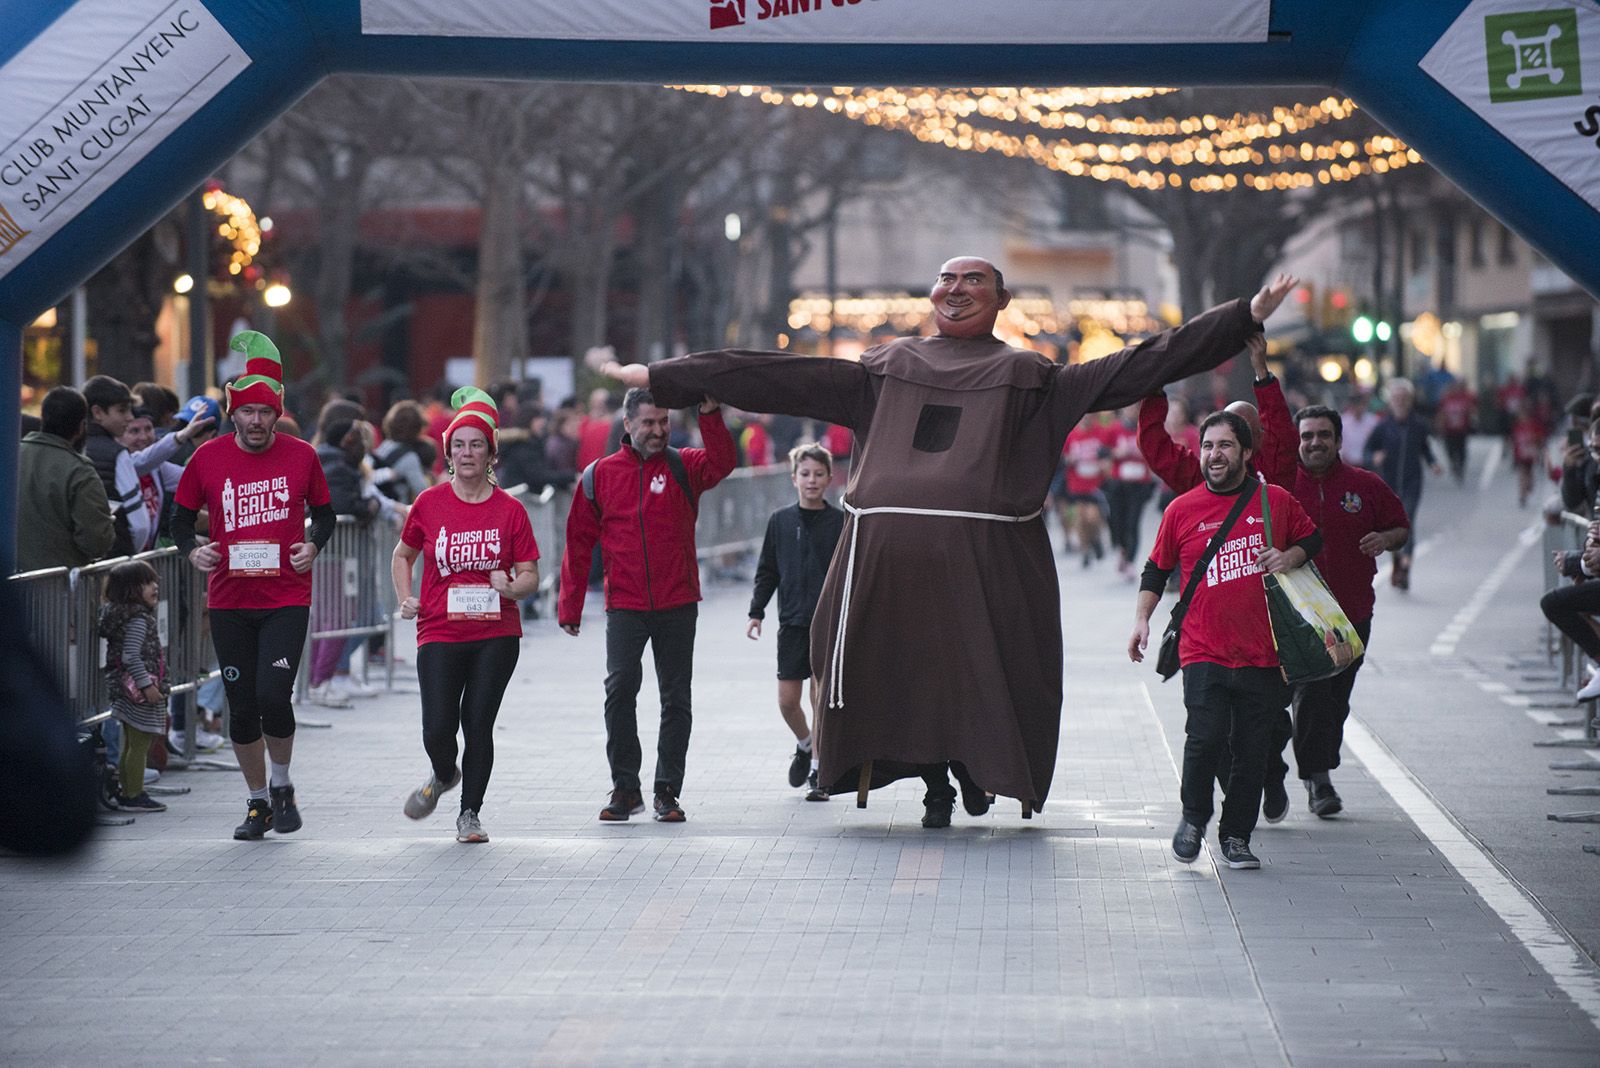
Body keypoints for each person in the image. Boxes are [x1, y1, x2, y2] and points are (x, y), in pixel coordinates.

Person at [604, 257, 1299, 826]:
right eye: (946, 278)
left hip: (987, 562)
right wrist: (667, 378)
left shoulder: (1034, 378)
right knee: (893, 671)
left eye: (973, 280)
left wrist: (1241, 317)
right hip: (885, 562)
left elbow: (1141, 363)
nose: (956, 288)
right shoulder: (882, 369)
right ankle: (934, 780)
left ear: (1002, 300)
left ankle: (971, 771)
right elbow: (773, 375)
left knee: (978, 675)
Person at [1128, 411, 1321, 870]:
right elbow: (1156, 568)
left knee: (1252, 753)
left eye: (1225, 446)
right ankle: (1193, 819)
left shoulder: (1275, 501)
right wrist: (1141, 620)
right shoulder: (1182, 509)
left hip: (1263, 654)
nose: (1215, 455)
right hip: (1203, 650)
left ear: (1247, 452)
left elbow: (1313, 540)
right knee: (1204, 739)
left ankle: (1236, 836)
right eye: (1208, 446)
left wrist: (1289, 555)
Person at [172, 331, 336, 841]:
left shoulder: (301, 456)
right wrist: (192, 550)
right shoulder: (208, 458)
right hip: (229, 599)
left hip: (286, 596)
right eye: (248, 412)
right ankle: (257, 802)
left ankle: (282, 784)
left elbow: (325, 515)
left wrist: (314, 545)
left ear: (277, 413)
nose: (257, 421)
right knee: (241, 705)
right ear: (233, 414)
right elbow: (179, 521)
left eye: (266, 412)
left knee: (273, 695)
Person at [558, 387, 736, 823]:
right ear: (628, 424)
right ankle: (625, 788)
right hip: (625, 604)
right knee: (619, 690)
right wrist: (570, 605)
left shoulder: (683, 465)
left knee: (676, 698)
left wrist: (710, 414)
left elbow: (723, 463)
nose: (658, 430)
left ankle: (667, 791)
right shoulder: (599, 475)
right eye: (649, 423)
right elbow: (578, 543)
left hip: (678, 600)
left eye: (664, 422)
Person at [394, 388, 540, 844]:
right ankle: (444, 772)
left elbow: (530, 575)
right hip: (439, 628)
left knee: (478, 722)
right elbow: (402, 555)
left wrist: (511, 587)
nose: (467, 453)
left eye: (477, 444)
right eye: (459, 445)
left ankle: (469, 814)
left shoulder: (511, 510)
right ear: (449, 453)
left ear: (491, 453)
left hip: (496, 632)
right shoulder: (429, 503)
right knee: (438, 728)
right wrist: (405, 597)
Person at [1281, 405, 1409, 816]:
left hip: (1353, 614)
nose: (1314, 442)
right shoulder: (1280, 485)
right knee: (1311, 693)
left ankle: (1316, 762)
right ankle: (1317, 780)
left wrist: (1385, 539)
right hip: (1299, 617)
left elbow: (1401, 527)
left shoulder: (1364, 485)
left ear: (1338, 440)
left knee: (1335, 701)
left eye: (1323, 435)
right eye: (1307, 436)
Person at [747, 442, 845, 800]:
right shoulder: (780, 521)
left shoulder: (840, 522)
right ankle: (804, 745)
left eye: (819, 474)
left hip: (826, 622)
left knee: (820, 698)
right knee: (788, 700)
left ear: (830, 479)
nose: (812, 480)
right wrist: (756, 612)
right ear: (794, 479)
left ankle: (818, 772)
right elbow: (767, 571)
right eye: (805, 474)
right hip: (791, 622)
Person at [1137, 334, 1297, 494]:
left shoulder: (1275, 478)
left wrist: (1262, 371)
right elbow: (1154, 446)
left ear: (1259, 438)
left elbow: (1279, 427)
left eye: (1243, 433)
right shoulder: (1202, 480)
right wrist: (1155, 389)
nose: (1216, 453)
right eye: (1212, 444)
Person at [16, 386, 115, 572]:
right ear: (81, 427)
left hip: (10, 580)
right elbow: (96, 541)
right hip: (58, 581)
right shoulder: (79, 470)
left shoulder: (10, 456)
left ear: (44, 418)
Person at [99, 560, 172, 813]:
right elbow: (131, 656)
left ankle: (128, 791)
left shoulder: (124, 615)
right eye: (147, 583)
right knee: (139, 744)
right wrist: (146, 685)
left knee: (131, 743)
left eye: (154, 582)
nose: (155, 587)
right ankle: (134, 794)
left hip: (125, 689)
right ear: (130, 589)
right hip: (138, 692)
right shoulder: (138, 619)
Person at [1363, 378, 1441, 591]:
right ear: (1390, 401)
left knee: (1407, 522)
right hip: (1388, 485)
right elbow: (1368, 450)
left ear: (1410, 400)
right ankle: (1397, 560)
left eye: (1404, 398)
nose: (1400, 401)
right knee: (1392, 526)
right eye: (1396, 398)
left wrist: (1433, 464)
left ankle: (1405, 567)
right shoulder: (1382, 426)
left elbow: (1425, 449)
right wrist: (1374, 457)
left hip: (1412, 482)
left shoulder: (1419, 425)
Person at [81, 375, 140, 558]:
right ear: (97, 412)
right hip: (118, 555)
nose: (130, 417)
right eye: (122, 410)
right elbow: (140, 523)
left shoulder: (72, 450)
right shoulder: (118, 455)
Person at [1102, 405, 1157, 578]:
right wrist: (1116, 452)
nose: (1132, 411)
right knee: (1117, 520)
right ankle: (1122, 549)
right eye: (1129, 408)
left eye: (1135, 408)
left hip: (1139, 483)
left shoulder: (1146, 429)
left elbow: (1156, 451)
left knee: (1133, 523)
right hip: (1119, 483)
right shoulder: (1114, 429)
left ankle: (1130, 561)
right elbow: (1102, 451)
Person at [1060, 413, 1111, 567]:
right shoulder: (1071, 435)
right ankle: (1085, 550)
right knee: (1080, 519)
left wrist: (1105, 464)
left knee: (1093, 517)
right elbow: (1063, 458)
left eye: (1089, 416)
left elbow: (1108, 455)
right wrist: (1070, 459)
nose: (1085, 419)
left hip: (1095, 484)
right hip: (1076, 483)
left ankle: (1095, 539)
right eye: (1082, 416)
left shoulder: (1100, 432)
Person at [373, 400, 433, 504]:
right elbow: (424, 493)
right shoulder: (408, 457)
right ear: (417, 428)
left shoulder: (384, 446)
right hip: (397, 509)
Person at [1436, 380, 1476, 482]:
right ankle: (1453, 464)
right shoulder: (1446, 399)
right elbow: (1441, 413)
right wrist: (1440, 427)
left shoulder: (1464, 398)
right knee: (1450, 449)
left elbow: (1470, 411)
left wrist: (1472, 422)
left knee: (1461, 450)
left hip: (1461, 429)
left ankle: (1461, 467)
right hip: (1449, 429)